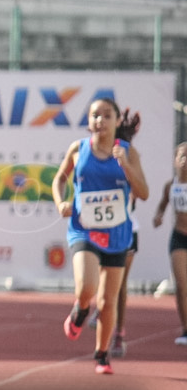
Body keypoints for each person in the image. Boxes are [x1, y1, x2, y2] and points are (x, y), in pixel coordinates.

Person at [52, 97, 148, 374]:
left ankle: (102, 354)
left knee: (108, 301)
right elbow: (59, 179)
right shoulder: (78, 149)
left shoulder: (128, 153)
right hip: (84, 228)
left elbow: (143, 192)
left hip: (117, 232)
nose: (100, 121)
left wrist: (126, 166)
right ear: (88, 121)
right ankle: (81, 309)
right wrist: (61, 202)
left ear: (118, 121)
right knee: (87, 289)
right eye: (95, 115)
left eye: (106, 116)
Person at [87, 108, 141, 357]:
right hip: (99, 231)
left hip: (125, 231)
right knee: (97, 278)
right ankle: (99, 306)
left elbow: (140, 192)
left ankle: (118, 333)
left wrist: (126, 167)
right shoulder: (96, 160)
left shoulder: (126, 158)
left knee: (119, 286)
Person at [152, 141, 187, 346]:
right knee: (182, 285)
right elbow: (162, 206)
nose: (185, 160)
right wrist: (158, 217)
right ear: (175, 160)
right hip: (179, 237)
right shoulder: (171, 186)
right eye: (182, 156)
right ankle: (185, 329)